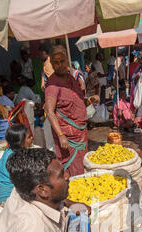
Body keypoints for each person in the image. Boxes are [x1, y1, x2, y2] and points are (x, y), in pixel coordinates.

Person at [44, 45, 99, 177]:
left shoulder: (71, 79)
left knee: (81, 167)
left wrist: (90, 100)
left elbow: (78, 103)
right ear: (51, 64)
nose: (60, 65)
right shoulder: (52, 84)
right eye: (55, 62)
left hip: (81, 134)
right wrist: (61, 135)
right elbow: (50, 112)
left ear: (67, 61)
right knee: (72, 172)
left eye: (62, 61)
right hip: (68, 139)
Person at [0, 124, 33, 204]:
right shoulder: (16, 159)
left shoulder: (9, 151)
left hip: (3, 194)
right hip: (8, 199)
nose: (32, 138)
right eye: (29, 137)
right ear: (20, 143)